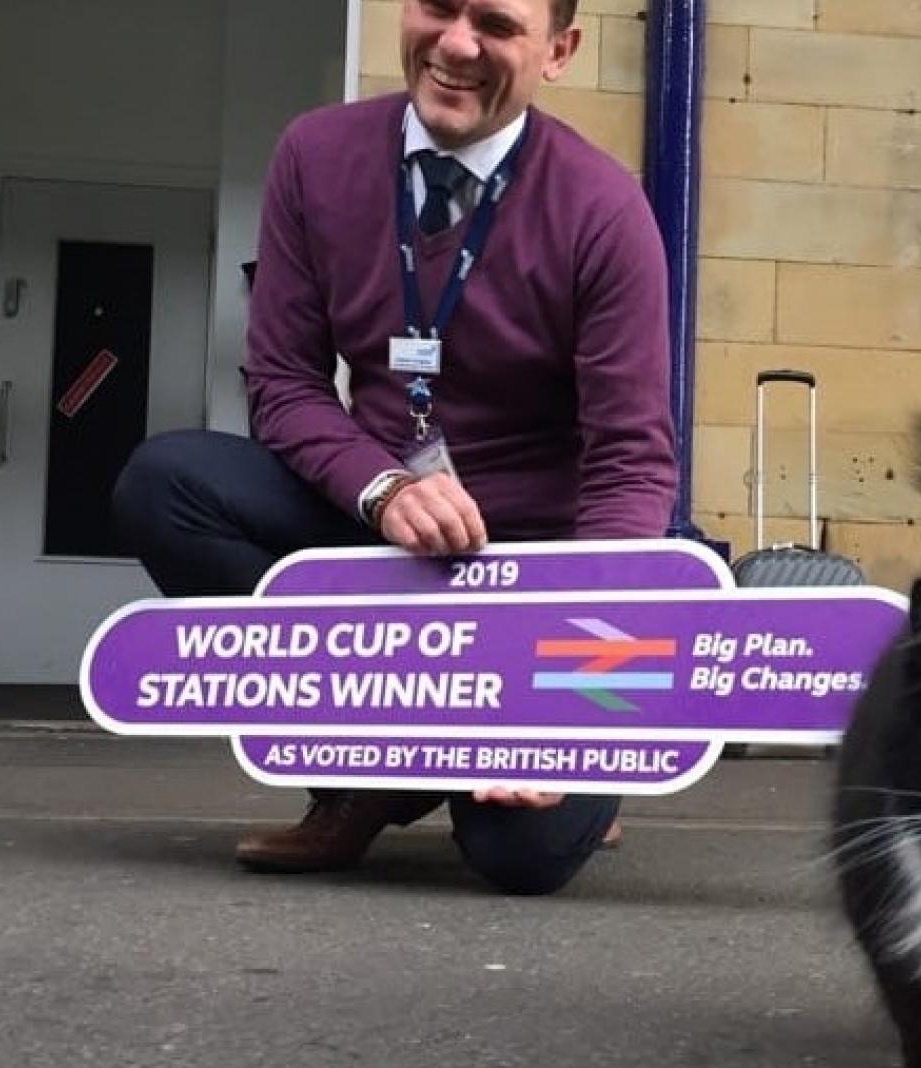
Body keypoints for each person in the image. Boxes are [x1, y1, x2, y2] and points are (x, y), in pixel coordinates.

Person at [110, 0, 675, 897]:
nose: (456, 43)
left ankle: (567, 784)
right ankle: (365, 777)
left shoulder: (605, 208)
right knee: (166, 484)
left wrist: (567, 716)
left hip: (535, 575)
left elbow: (630, 462)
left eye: (495, 23)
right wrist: (379, 488)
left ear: (558, 52)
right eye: (438, 7)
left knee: (517, 854)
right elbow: (285, 384)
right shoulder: (315, 155)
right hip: (376, 530)